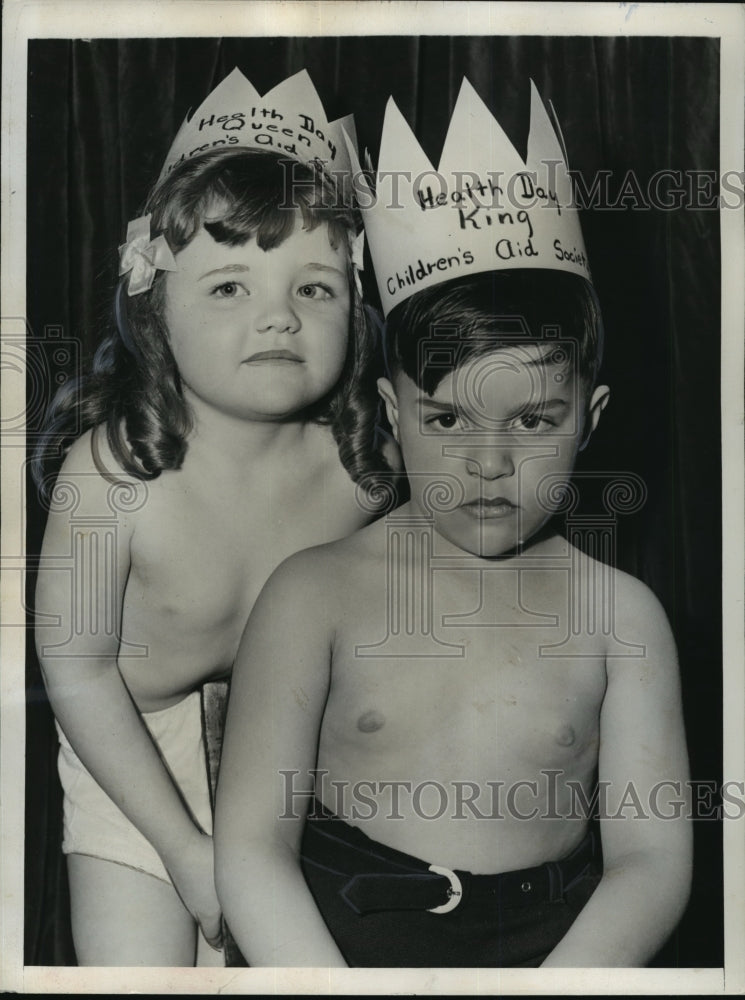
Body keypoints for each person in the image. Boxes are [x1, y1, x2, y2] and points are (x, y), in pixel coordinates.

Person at [214, 79, 692, 968]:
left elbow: (651, 859)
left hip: (557, 951)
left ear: (589, 417)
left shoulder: (622, 618)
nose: (488, 462)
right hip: (332, 939)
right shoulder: (313, 592)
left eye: (534, 421)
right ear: (391, 412)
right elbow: (250, 847)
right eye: (446, 420)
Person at [33, 68, 395, 968]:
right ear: (155, 307)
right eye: (229, 287)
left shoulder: (367, 470)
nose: (277, 318)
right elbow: (73, 671)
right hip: (136, 764)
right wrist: (184, 849)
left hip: (299, 769)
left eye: (313, 288)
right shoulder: (112, 472)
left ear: (357, 307)